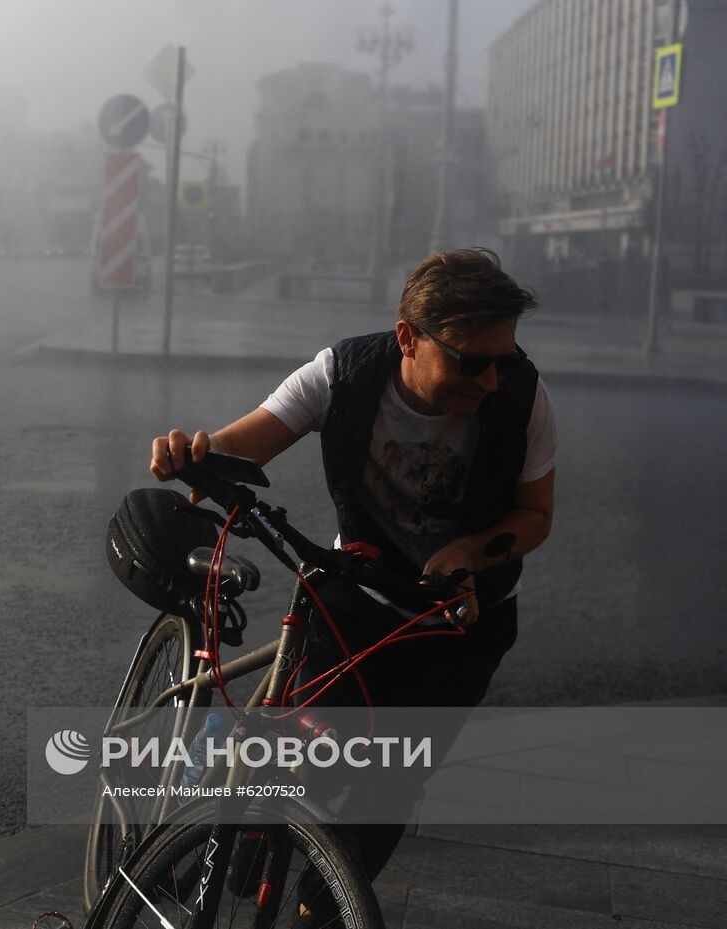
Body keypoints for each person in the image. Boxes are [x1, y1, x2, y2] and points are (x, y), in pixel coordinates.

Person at [150, 248, 556, 920]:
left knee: (387, 786)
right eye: (469, 361)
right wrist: (189, 454)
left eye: (502, 360)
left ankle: (322, 906)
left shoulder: (522, 397)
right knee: (295, 746)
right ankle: (223, 853)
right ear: (408, 339)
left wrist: (470, 551)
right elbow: (244, 444)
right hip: (357, 596)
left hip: (460, 623)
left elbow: (536, 515)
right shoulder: (343, 373)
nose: (489, 380)